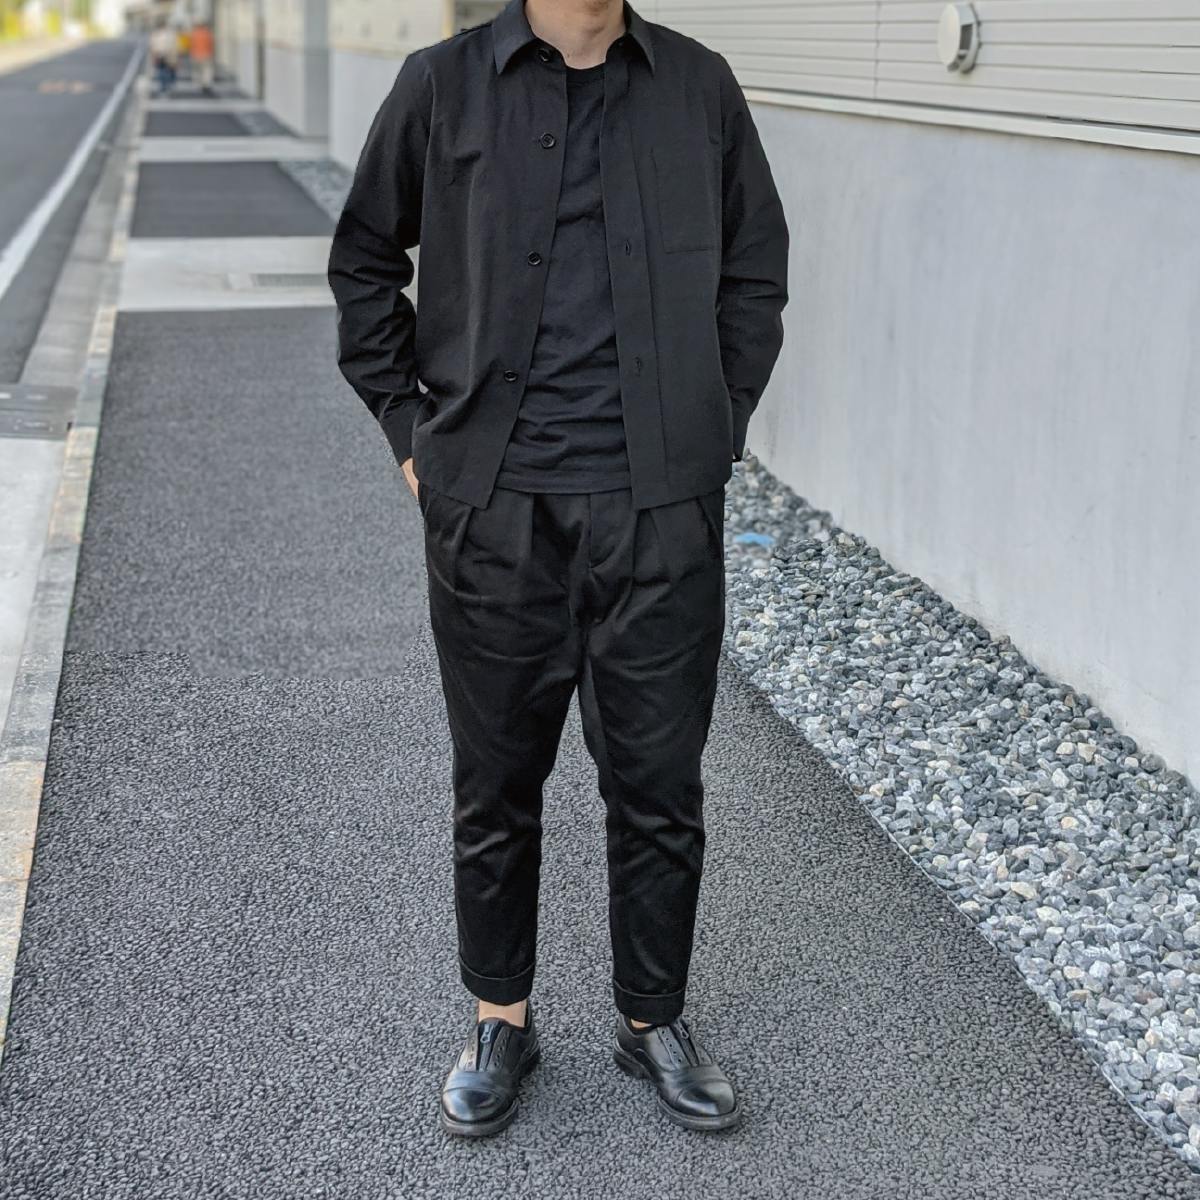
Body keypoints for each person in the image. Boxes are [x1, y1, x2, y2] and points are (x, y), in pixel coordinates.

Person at [328, 0, 788, 1137]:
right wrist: (410, 431)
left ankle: (652, 1019)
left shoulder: (699, 86)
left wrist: (717, 424)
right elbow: (365, 261)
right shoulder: (440, 85)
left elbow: (755, 270)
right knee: (496, 785)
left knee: (660, 783)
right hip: (494, 511)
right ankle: (501, 1020)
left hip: (660, 510)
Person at [149, 21, 177, 97]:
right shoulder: (168, 34)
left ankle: (164, 87)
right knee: (163, 72)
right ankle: (165, 87)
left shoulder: (157, 34)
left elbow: (153, 46)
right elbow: (153, 46)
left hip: (163, 55)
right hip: (163, 55)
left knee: (163, 72)